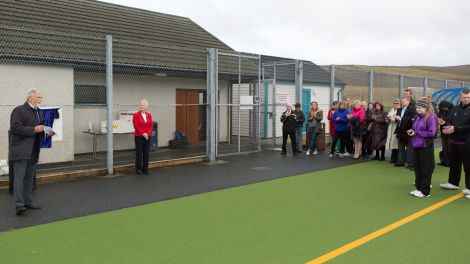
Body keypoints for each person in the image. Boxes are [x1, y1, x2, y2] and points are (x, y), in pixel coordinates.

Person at [9, 90, 53, 215]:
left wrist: (46, 130)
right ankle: (19, 205)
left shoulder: (39, 111)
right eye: (38, 97)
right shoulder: (19, 110)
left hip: (33, 149)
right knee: (19, 178)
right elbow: (15, 128)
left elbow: (40, 127)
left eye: (41, 97)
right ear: (30, 97)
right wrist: (34, 129)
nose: (41, 99)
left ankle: (27, 201)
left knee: (29, 177)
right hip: (21, 150)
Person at [440, 89, 470, 199]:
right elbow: (449, 120)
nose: (466, 99)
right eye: (464, 97)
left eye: (468, 97)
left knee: (468, 166)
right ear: (460, 97)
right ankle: (453, 183)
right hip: (453, 142)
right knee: (454, 164)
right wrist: (446, 125)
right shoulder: (456, 108)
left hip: (466, 143)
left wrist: (455, 128)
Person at [409, 100, 438, 197]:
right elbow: (415, 128)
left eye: (420, 108)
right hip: (416, 145)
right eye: (417, 108)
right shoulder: (417, 117)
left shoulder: (431, 117)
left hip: (426, 146)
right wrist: (412, 130)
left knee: (425, 168)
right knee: (417, 167)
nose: (418, 109)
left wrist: (417, 132)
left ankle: (425, 192)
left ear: (426, 108)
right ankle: (418, 188)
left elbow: (432, 133)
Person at [133, 99, 153, 175]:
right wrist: (143, 134)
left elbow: (151, 125)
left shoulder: (149, 115)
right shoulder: (135, 115)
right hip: (139, 137)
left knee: (146, 153)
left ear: (146, 107)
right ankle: (138, 169)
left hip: (147, 137)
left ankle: (145, 169)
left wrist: (147, 134)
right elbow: (136, 126)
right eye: (140, 105)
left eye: (143, 105)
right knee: (139, 153)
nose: (141, 106)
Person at [394, 97, 416, 168]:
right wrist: (397, 119)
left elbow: (412, 120)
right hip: (400, 131)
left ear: (408, 101)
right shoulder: (399, 109)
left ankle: (410, 163)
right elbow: (397, 120)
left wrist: (401, 119)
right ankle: (400, 162)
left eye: (404, 101)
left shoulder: (412, 109)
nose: (402, 102)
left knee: (409, 148)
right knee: (400, 147)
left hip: (408, 131)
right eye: (401, 101)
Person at [437, 100, 454, 166]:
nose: (443, 109)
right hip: (443, 131)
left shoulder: (453, 110)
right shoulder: (441, 110)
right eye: (442, 108)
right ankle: (444, 161)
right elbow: (438, 117)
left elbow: (454, 121)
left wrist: (445, 122)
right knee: (444, 147)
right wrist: (439, 120)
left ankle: (450, 162)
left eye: (444, 108)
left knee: (450, 147)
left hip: (450, 132)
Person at [386, 99, 400, 163]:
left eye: (397, 103)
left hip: (396, 128)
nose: (395, 104)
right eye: (394, 103)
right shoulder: (391, 110)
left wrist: (392, 118)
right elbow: (388, 118)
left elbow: (399, 119)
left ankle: (396, 159)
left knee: (396, 144)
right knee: (392, 143)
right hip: (390, 127)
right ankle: (392, 158)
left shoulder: (400, 110)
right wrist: (389, 119)